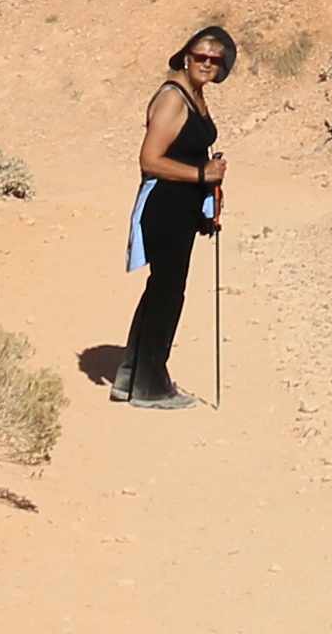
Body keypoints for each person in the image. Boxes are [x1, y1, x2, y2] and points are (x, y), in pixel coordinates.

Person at [115, 24, 230, 407]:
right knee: (168, 293)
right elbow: (149, 160)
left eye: (215, 59)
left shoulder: (194, 95)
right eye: (201, 57)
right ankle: (151, 386)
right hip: (164, 206)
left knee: (161, 290)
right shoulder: (174, 99)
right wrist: (202, 175)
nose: (208, 64)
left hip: (181, 207)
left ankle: (131, 376)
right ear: (186, 55)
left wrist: (207, 186)